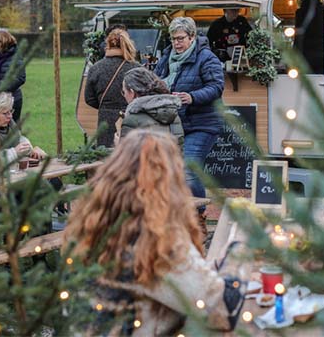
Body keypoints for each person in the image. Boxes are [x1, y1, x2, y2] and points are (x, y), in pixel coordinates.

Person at [67, 130, 244, 337]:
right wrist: (237, 255)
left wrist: (209, 268)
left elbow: (174, 281)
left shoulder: (95, 225)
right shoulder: (154, 240)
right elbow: (223, 311)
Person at [154, 17, 225, 200]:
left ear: (192, 37)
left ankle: (197, 212)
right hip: (174, 124)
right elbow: (155, 81)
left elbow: (216, 87)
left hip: (202, 124)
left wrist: (192, 97)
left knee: (189, 168)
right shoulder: (166, 58)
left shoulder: (206, 58)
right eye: (173, 39)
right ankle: (181, 211)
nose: (176, 43)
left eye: (180, 38)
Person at [82, 27, 144, 147]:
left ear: (107, 45)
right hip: (132, 118)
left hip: (105, 121)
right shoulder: (137, 68)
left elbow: (89, 99)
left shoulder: (96, 68)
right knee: (132, 154)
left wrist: (105, 106)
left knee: (106, 155)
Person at [116, 67, 185, 146]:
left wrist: (118, 144)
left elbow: (128, 152)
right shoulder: (174, 115)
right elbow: (179, 148)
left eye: (124, 92)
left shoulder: (131, 120)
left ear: (132, 92)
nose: (124, 96)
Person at [0, 28, 25, 123]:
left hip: (12, 99)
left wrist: (2, 89)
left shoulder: (16, 56)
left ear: (2, 42)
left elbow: (20, 78)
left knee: (12, 127)